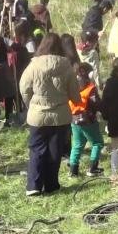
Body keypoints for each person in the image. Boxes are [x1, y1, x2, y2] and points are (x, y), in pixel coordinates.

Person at [19, 33, 79, 196]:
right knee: (55, 150)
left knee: (37, 149)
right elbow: (75, 94)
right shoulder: (66, 65)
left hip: (37, 115)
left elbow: (24, 87)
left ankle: (33, 186)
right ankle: (51, 184)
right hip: (60, 115)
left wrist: (31, 103)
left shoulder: (34, 65)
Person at [67, 62, 105, 177]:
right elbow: (96, 104)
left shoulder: (71, 85)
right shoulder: (90, 88)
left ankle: (73, 171)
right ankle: (93, 168)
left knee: (77, 144)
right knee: (97, 143)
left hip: (74, 119)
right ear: (89, 74)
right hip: (88, 120)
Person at [0, 27, 17, 132]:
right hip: (4, 69)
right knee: (8, 94)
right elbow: (12, 47)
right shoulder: (3, 39)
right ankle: (8, 119)